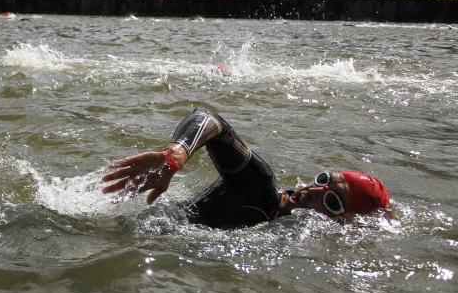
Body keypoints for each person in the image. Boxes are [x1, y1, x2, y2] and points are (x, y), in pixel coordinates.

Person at [102, 106, 390, 228]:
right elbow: (211, 120)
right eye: (323, 179)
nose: (312, 191)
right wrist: (173, 157)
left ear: (344, 222)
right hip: (123, 223)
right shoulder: (259, 186)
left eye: (331, 200)